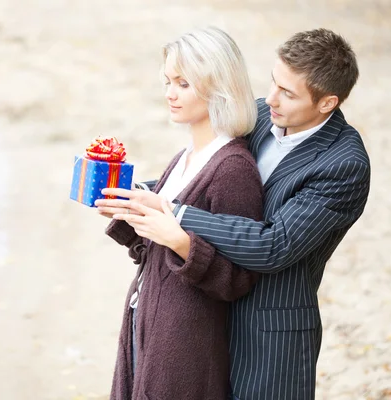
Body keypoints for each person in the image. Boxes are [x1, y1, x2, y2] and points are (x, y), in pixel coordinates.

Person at [98, 28, 371, 400]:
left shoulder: (344, 164)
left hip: (268, 332)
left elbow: (275, 244)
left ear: (327, 103)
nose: (270, 98)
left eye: (288, 93)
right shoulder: (261, 114)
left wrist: (175, 213)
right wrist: (136, 195)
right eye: (274, 83)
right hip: (207, 307)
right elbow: (208, 174)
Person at [98, 26, 264, 400]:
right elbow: (152, 250)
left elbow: (239, 279)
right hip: (147, 321)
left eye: (184, 84)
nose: (170, 93)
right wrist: (127, 214)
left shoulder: (233, 169)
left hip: (186, 345)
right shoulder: (184, 158)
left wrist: (180, 240)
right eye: (168, 81)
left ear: (218, 86)